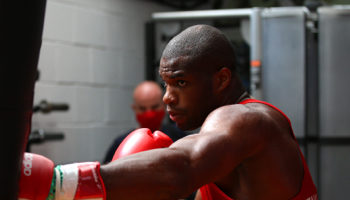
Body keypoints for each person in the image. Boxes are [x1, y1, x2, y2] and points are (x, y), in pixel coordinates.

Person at [18, 24, 318, 200]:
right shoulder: (225, 139)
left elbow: (181, 167)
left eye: (181, 82)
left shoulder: (246, 119)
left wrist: (58, 183)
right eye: (166, 83)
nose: (167, 97)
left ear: (222, 79)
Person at [103, 81, 188, 164]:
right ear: (134, 108)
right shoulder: (121, 143)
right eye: (142, 109)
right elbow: (105, 176)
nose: (149, 114)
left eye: (154, 107)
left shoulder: (180, 138)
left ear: (164, 105)